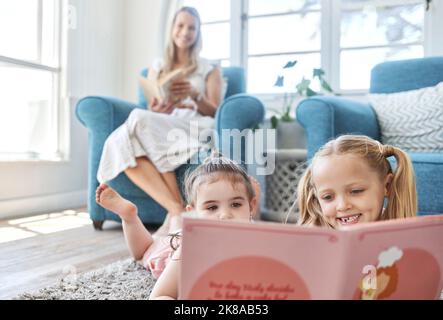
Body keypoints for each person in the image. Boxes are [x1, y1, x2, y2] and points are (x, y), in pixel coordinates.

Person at [96, 6, 223, 235]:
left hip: (195, 125)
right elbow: (152, 107)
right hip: (164, 124)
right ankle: (176, 210)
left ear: (198, 33)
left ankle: (176, 213)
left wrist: (196, 95)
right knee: (123, 140)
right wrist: (158, 108)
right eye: (180, 26)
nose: (185, 32)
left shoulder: (210, 69)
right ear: (172, 29)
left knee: (135, 120)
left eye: (191, 28)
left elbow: (216, 112)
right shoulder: (157, 67)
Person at [95, 153, 260, 300]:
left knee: (175, 228)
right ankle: (129, 217)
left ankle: (175, 217)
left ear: (251, 207)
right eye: (212, 207)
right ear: (193, 213)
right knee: (144, 252)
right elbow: (160, 295)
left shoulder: (258, 238)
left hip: (188, 232)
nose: (225, 215)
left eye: (236, 204)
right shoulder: (188, 251)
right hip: (170, 250)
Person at [291, 135, 417, 228]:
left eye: (356, 191)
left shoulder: (406, 239)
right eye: (328, 197)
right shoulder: (314, 241)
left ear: (387, 186)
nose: (342, 206)